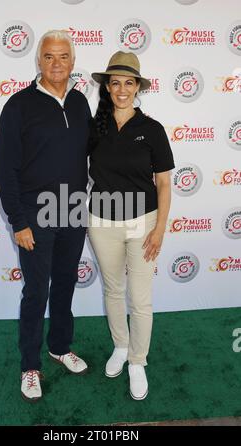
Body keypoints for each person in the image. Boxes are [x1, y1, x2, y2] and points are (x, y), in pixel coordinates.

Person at [0, 30, 91, 402]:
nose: (56, 63)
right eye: (49, 56)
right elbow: (5, 169)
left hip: (72, 209)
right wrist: (18, 221)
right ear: (39, 61)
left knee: (66, 282)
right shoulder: (18, 106)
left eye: (63, 56)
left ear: (72, 61)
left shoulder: (82, 102)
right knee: (36, 291)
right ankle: (30, 366)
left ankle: (60, 346)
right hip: (35, 215)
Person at [88, 51, 175, 400]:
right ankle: (120, 347)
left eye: (128, 82)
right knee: (112, 290)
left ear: (137, 86)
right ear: (107, 87)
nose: (121, 89)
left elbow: (164, 184)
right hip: (101, 221)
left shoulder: (152, 129)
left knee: (139, 300)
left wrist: (159, 230)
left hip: (144, 223)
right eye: (115, 83)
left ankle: (137, 361)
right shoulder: (95, 127)